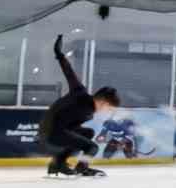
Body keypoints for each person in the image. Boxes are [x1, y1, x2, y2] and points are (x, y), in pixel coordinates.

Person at [38, 35, 119, 177]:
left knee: (88, 133)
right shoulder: (80, 93)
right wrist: (59, 54)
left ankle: (56, 163)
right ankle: (82, 167)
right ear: (103, 102)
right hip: (51, 131)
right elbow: (69, 72)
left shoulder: (88, 107)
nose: (107, 111)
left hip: (55, 129)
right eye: (109, 108)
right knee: (92, 147)